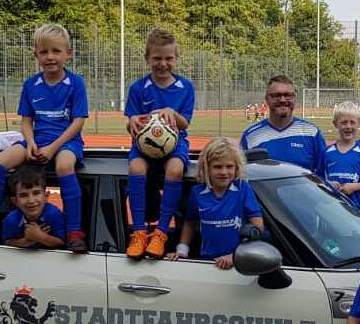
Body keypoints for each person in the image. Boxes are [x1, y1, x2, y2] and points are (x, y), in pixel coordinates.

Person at [0, 23, 88, 253]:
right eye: (44, 52)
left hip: (65, 142)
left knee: (64, 166)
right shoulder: (31, 84)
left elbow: (78, 122)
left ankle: (74, 231)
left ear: (68, 53)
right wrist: (31, 143)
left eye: (56, 51)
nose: (50, 57)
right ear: (36, 54)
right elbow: (26, 121)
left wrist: (52, 148)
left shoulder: (76, 83)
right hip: (36, 140)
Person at [124, 29, 195, 261]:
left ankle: (161, 232)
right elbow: (131, 123)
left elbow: (185, 123)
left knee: (174, 169)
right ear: (147, 58)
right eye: (157, 58)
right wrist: (132, 121)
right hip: (144, 145)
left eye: (168, 58)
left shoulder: (186, 87)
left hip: (175, 143)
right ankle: (139, 231)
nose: (163, 63)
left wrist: (171, 112)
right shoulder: (138, 88)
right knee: (136, 168)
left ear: (176, 58)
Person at [169, 138, 263, 270]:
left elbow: (257, 227)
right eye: (217, 167)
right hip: (207, 263)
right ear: (206, 167)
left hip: (237, 263)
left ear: (237, 167)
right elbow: (190, 223)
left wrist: (236, 256)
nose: (224, 172)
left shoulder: (243, 189)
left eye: (229, 166)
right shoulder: (197, 193)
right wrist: (182, 250)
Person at [239, 76, 326, 174]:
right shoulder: (251, 136)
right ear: (267, 99)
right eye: (276, 95)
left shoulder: (312, 133)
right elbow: (241, 175)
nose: (282, 100)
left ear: (294, 98)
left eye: (288, 95)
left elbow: (323, 175)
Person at [323, 101, 360, 209]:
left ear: (359, 123)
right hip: (330, 209)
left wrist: (354, 187)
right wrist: (329, 184)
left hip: (354, 210)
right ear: (335, 124)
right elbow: (318, 180)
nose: (348, 126)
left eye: (352, 122)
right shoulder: (327, 152)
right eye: (344, 122)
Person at [2, 166, 66, 249]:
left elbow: (62, 242)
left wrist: (40, 237)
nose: (31, 201)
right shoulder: (11, 220)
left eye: (36, 193)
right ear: (15, 201)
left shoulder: (54, 215)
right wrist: (27, 241)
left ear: (46, 196)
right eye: (24, 195)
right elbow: (7, 241)